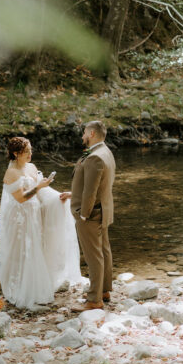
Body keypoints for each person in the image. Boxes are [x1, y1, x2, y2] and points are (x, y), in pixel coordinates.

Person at [0, 136, 81, 309]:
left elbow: (42, 191)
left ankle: (35, 284)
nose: (30, 154)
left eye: (30, 150)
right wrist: (39, 187)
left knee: (36, 247)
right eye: (26, 151)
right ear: (15, 153)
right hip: (19, 218)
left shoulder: (32, 167)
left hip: (34, 213)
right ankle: (19, 288)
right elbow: (21, 198)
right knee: (20, 250)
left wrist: (57, 197)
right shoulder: (11, 172)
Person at [60, 121, 115, 311]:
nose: (82, 135)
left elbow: (91, 191)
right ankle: (104, 290)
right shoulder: (105, 151)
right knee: (104, 251)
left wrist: (83, 215)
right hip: (104, 210)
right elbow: (97, 184)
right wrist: (72, 193)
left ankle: (94, 300)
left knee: (94, 256)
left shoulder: (94, 157)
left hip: (91, 214)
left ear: (91, 133)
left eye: (84, 132)